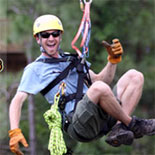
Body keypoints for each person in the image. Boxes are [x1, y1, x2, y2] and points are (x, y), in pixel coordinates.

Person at [9, 14, 155, 155]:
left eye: (55, 34)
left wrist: (112, 61)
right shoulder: (35, 69)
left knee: (134, 76)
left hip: (101, 113)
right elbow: (17, 100)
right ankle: (133, 125)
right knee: (98, 89)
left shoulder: (70, 59)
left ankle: (119, 128)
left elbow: (100, 81)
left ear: (60, 36)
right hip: (79, 124)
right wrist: (14, 131)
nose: (51, 39)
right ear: (38, 39)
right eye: (45, 35)